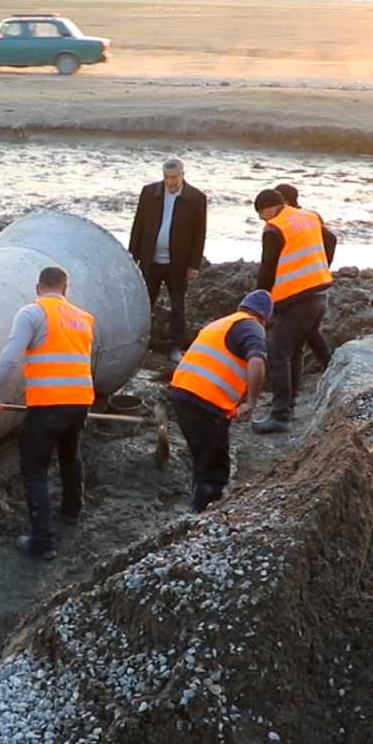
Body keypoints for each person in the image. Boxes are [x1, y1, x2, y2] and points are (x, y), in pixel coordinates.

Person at [0, 266, 97, 560]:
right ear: (65, 289)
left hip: (48, 404)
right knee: (71, 455)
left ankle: (43, 542)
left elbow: (9, 357)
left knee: (35, 469)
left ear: (38, 287)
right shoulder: (84, 319)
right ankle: (72, 511)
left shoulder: (32, 313)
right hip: (80, 400)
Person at [169, 290, 270, 512]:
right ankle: (201, 517)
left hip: (181, 393)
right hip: (205, 402)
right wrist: (252, 402)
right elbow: (256, 361)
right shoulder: (252, 326)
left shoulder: (220, 323)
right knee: (216, 468)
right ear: (264, 317)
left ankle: (196, 503)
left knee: (203, 455)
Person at [250, 188, 335, 435]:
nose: (262, 220)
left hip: (296, 299)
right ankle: (289, 406)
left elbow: (266, 270)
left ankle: (280, 416)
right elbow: (331, 240)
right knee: (295, 351)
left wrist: (259, 303)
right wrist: (321, 267)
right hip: (319, 293)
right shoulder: (309, 216)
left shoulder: (274, 229)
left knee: (278, 353)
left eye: (261, 214)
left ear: (268, 208)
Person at [128, 157, 207, 362]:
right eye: (166, 178)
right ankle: (139, 344)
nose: (170, 182)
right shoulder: (149, 192)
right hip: (150, 260)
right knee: (144, 304)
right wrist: (132, 256)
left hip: (178, 262)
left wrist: (194, 265)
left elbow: (200, 234)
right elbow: (138, 225)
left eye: (173, 178)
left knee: (178, 307)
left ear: (182, 175)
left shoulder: (196, 198)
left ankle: (175, 347)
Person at [275, 183, 338, 372]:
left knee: (303, 330)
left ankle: (325, 360)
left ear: (284, 200)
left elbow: (331, 239)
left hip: (302, 283)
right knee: (309, 328)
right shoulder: (310, 216)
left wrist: (323, 264)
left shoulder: (299, 218)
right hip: (313, 279)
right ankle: (325, 360)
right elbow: (331, 239)